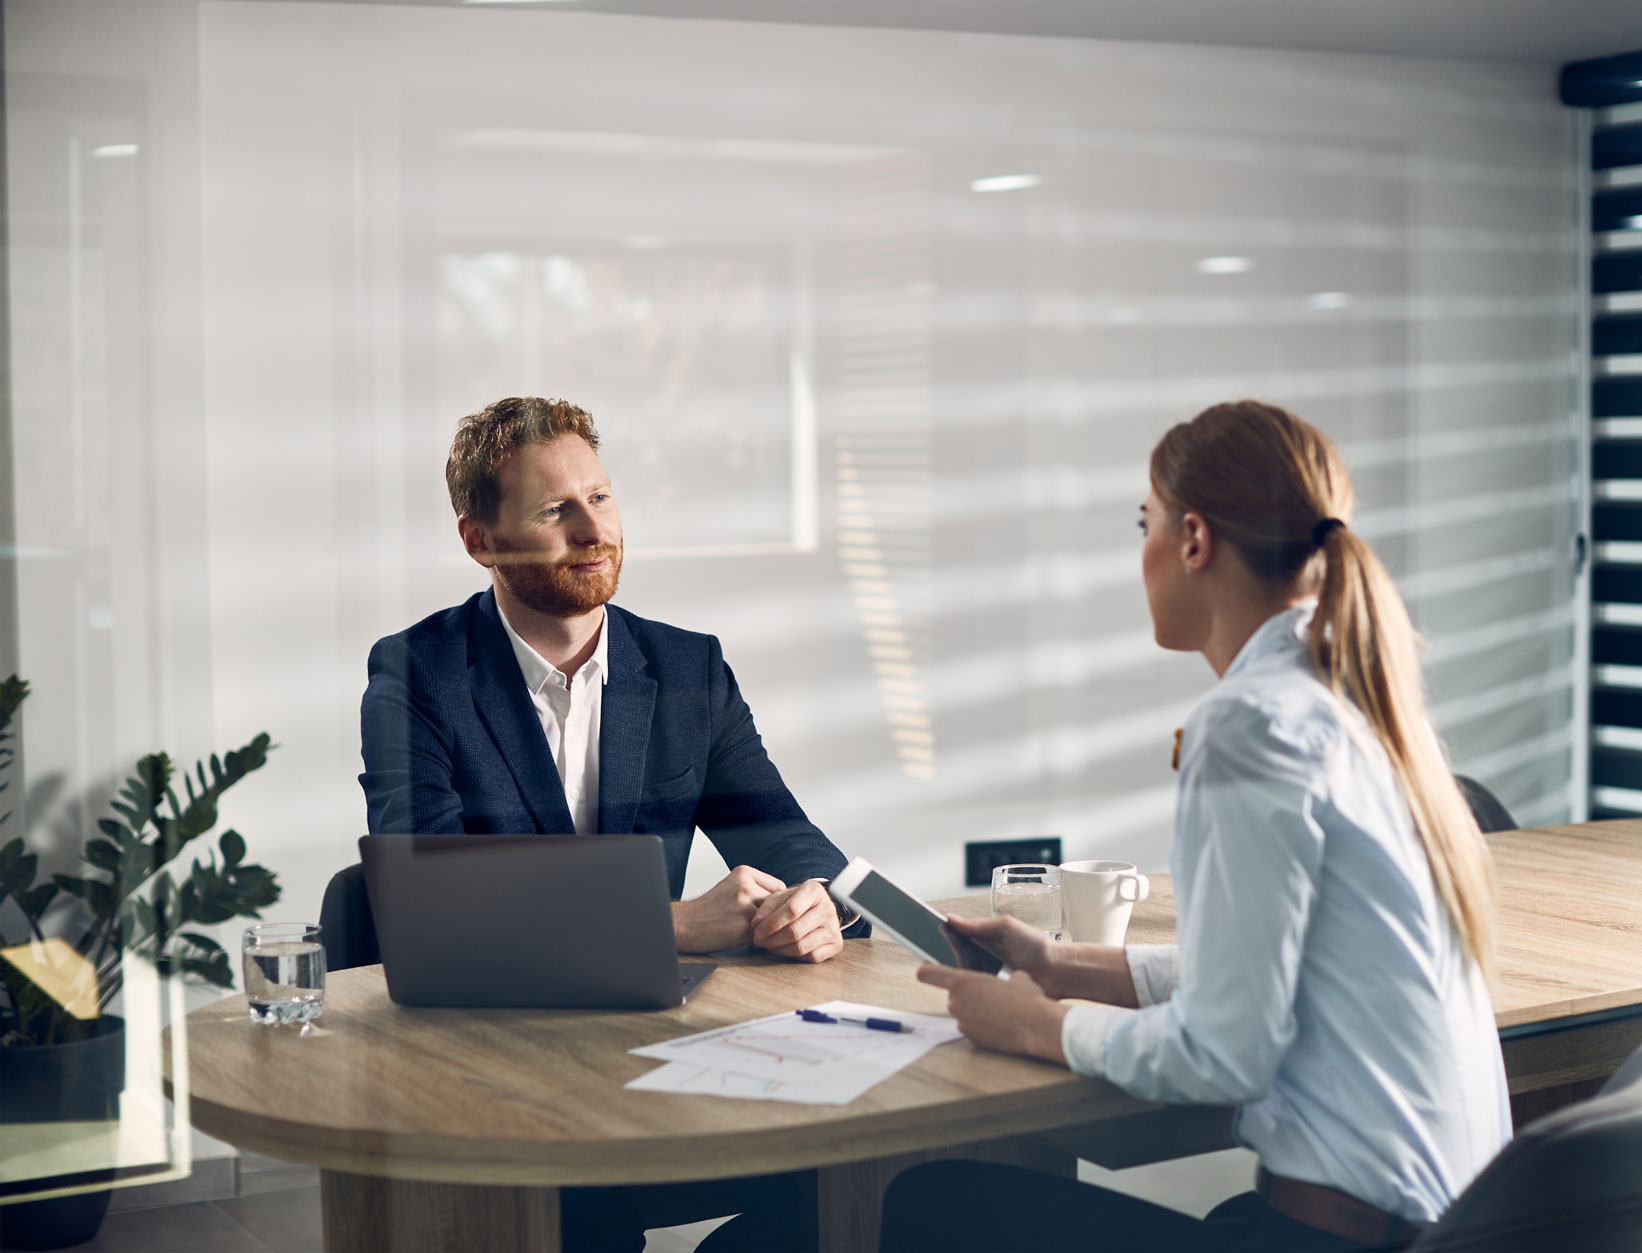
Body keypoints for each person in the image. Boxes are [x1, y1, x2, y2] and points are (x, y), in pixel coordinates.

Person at [879, 400, 1510, 1253]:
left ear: (1193, 539)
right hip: (1441, 1227)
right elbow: (1269, 971)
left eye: (1146, 522)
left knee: (935, 1201)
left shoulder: (1251, 722)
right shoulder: (1353, 698)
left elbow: (1224, 1053)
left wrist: (1031, 1022)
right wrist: (1061, 964)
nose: (1139, 551)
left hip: (1345, 1241)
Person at [359, 395, 861, 1252]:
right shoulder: (418, 674)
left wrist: (821, 901)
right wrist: (673, 924)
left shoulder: (685, 666)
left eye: (601, 496)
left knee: (863, 1171)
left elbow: (791, 843)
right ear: (479, 540)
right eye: (555, 509)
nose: (594, 530)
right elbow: (432, 908)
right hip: (488, 1072)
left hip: (658, 1053)